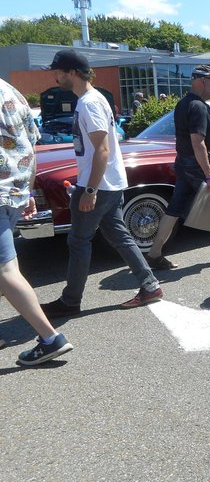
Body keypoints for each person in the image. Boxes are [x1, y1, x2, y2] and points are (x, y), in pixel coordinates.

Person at [40, 49, 163, 315]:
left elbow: (102, 150)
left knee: (78, 241)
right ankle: (150, 285)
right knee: (118, 235)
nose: (55, 76)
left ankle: (70, 301)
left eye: (58, 71)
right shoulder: (93, 100)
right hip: (110, 182)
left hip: (100, 185)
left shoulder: (89, 102)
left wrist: (90, 190)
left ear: (71, 72)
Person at [0, 78, 74, 365]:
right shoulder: (11, 91)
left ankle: (50, 338)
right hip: (15, 189)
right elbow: (31, 144)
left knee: (6, 268)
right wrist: (28, 191)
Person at [144, 65, 210, 270]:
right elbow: (198, 142)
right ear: (202, 81)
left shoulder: (183, 103)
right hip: (202, 164)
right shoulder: (198, 107)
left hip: (184, 162)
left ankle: (154, 254)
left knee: (175, 209)